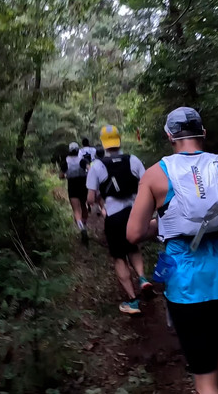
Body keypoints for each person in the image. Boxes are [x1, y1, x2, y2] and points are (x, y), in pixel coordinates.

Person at [126, 107, 218, 394]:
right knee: (217, 348)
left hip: (186, 284)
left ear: (169, 136)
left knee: (203, 374)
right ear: (203, 133)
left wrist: (163, 224)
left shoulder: (156, 174)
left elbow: (133, 233)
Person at [87, 125, 153, 314]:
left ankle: (133, 301)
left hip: (114, 216)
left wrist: (100, 204)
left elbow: (91, 199)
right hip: (134, 213)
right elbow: (147, 183)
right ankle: (142, 278)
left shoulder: (97, 166)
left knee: (118, 257)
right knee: (133, 247)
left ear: (103, 143)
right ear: (119, 140)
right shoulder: (133, 160)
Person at [60, 141, 90, 246]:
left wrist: (66, 175)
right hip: (83, 185)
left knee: (76, 210)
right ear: (78, 151)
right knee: (84, 206)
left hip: (72, 186)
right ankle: (85, 225)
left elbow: (61, 176)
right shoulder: (82, 160)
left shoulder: (65, 162)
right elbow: (89, 169)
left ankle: (82, 229)